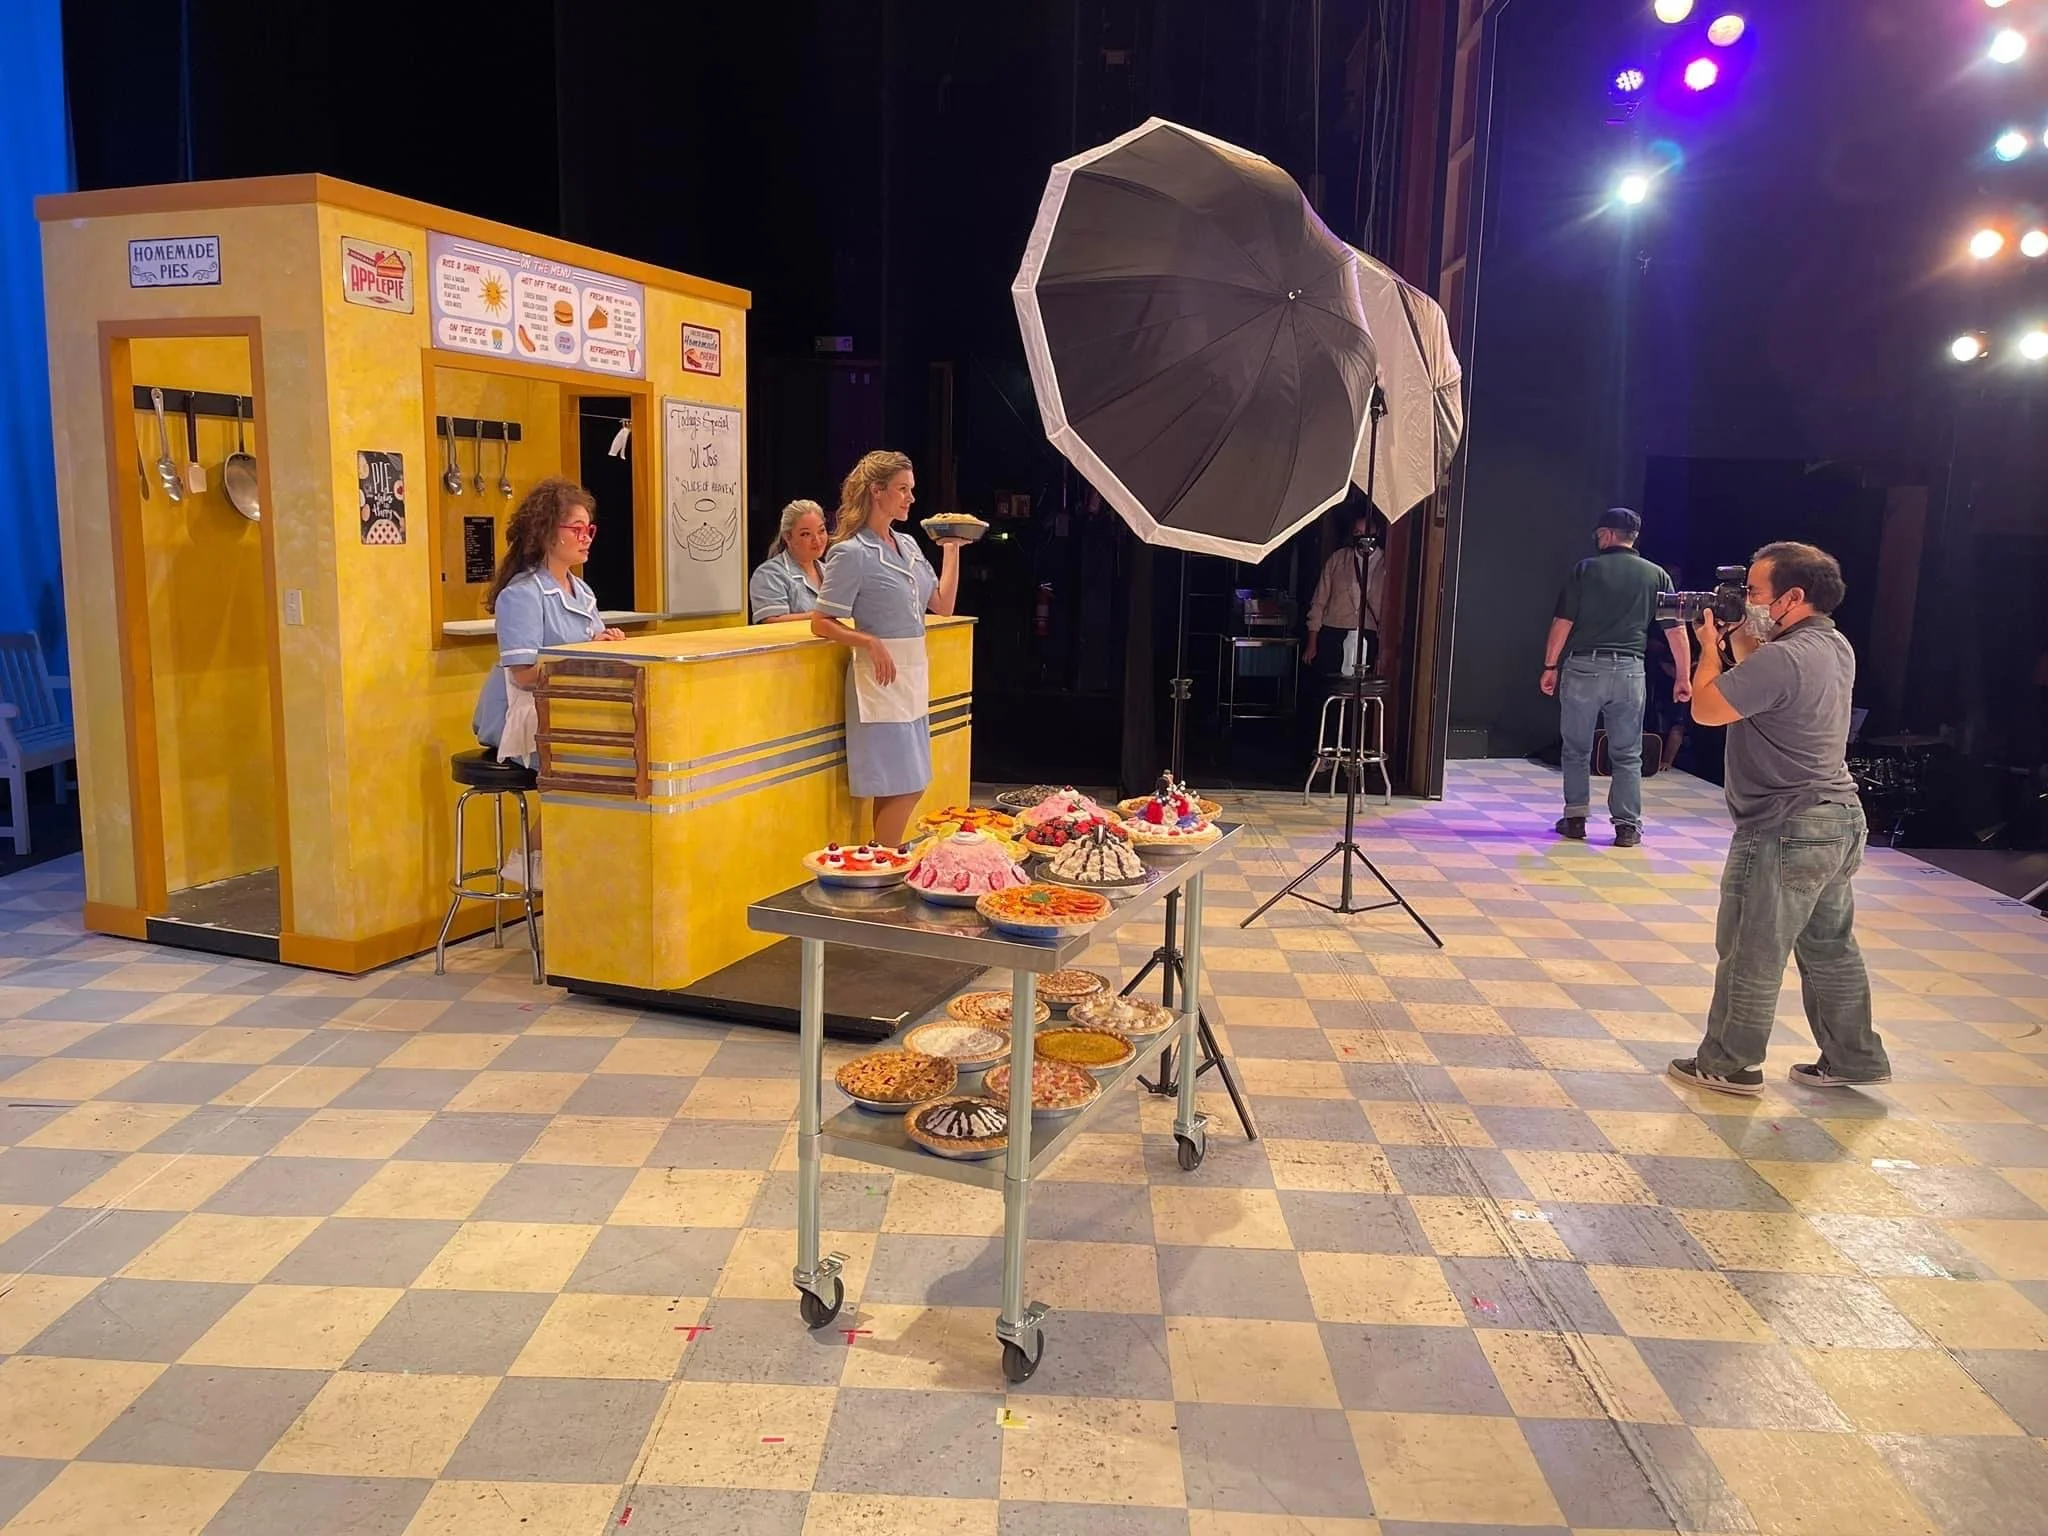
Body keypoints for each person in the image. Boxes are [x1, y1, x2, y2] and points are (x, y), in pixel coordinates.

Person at [1669, 541, 1890, 1096]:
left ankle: (1730, 1062)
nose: (1747, 601)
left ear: (1792, 597)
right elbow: (1759, 670)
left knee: (1751, 948)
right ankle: (1855, 1057)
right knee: (1829, 947)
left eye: (1754, 593)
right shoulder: (1833, 645)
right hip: (1836, 822)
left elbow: (1707, 709)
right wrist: (1737, 633)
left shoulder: (1784, 658)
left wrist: (1708, 649)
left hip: (1784, 826)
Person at [809, 451, 965, 846]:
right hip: (878, 681)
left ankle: (882, 858)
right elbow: (820, 622)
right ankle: (885, 859)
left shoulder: (908, 545)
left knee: (903, 783)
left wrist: (952, 549)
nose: (911, 498)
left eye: (911, 489)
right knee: (904, 782)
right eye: (902, 489)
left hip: (910, 676)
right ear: (877, 491)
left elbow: (943, 605)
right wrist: (868, 641)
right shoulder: (851, 553)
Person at [1540, 507, 1690, 847]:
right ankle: (1626, 826)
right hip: (1630, 671)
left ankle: (1575, 818)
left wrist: (1550, 665)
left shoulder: (1585, 570)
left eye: (1598, 534)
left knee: (1576, 749)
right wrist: (1683, 676)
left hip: (1583, 668)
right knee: (1627, 753)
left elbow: (1562, 622)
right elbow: (1675, 630)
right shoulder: (1657, 575)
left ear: (1607, 534)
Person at [473, 477, 625, 764]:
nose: (587, 538)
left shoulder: (582, 591)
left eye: (589, 529)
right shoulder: (521, 594)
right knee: (608, 758)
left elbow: (589, 648)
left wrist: (608, 645)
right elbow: (523, 675)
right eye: (577, 529)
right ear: (546, 533)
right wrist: (587, 655)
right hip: (525, 717)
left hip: (567, 708)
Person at [1305, 510, 1387, 677]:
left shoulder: (1387, 562)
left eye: (1367, 531)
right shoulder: (1338, 559)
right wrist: (1312, 642)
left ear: (1377, 532)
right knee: (1332, 685)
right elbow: (1319, 602)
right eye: (1357, 532)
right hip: (1334, 632)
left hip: (1369, 634)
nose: (1363, 537)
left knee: (1362, 685)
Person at [748, 499, 829, 623]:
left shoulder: (831, 572)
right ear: (787, 537)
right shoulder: (770, 574)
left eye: (821, 531)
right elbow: (772, 621)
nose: (817, 540)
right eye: (806, 534)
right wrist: (825, 616)